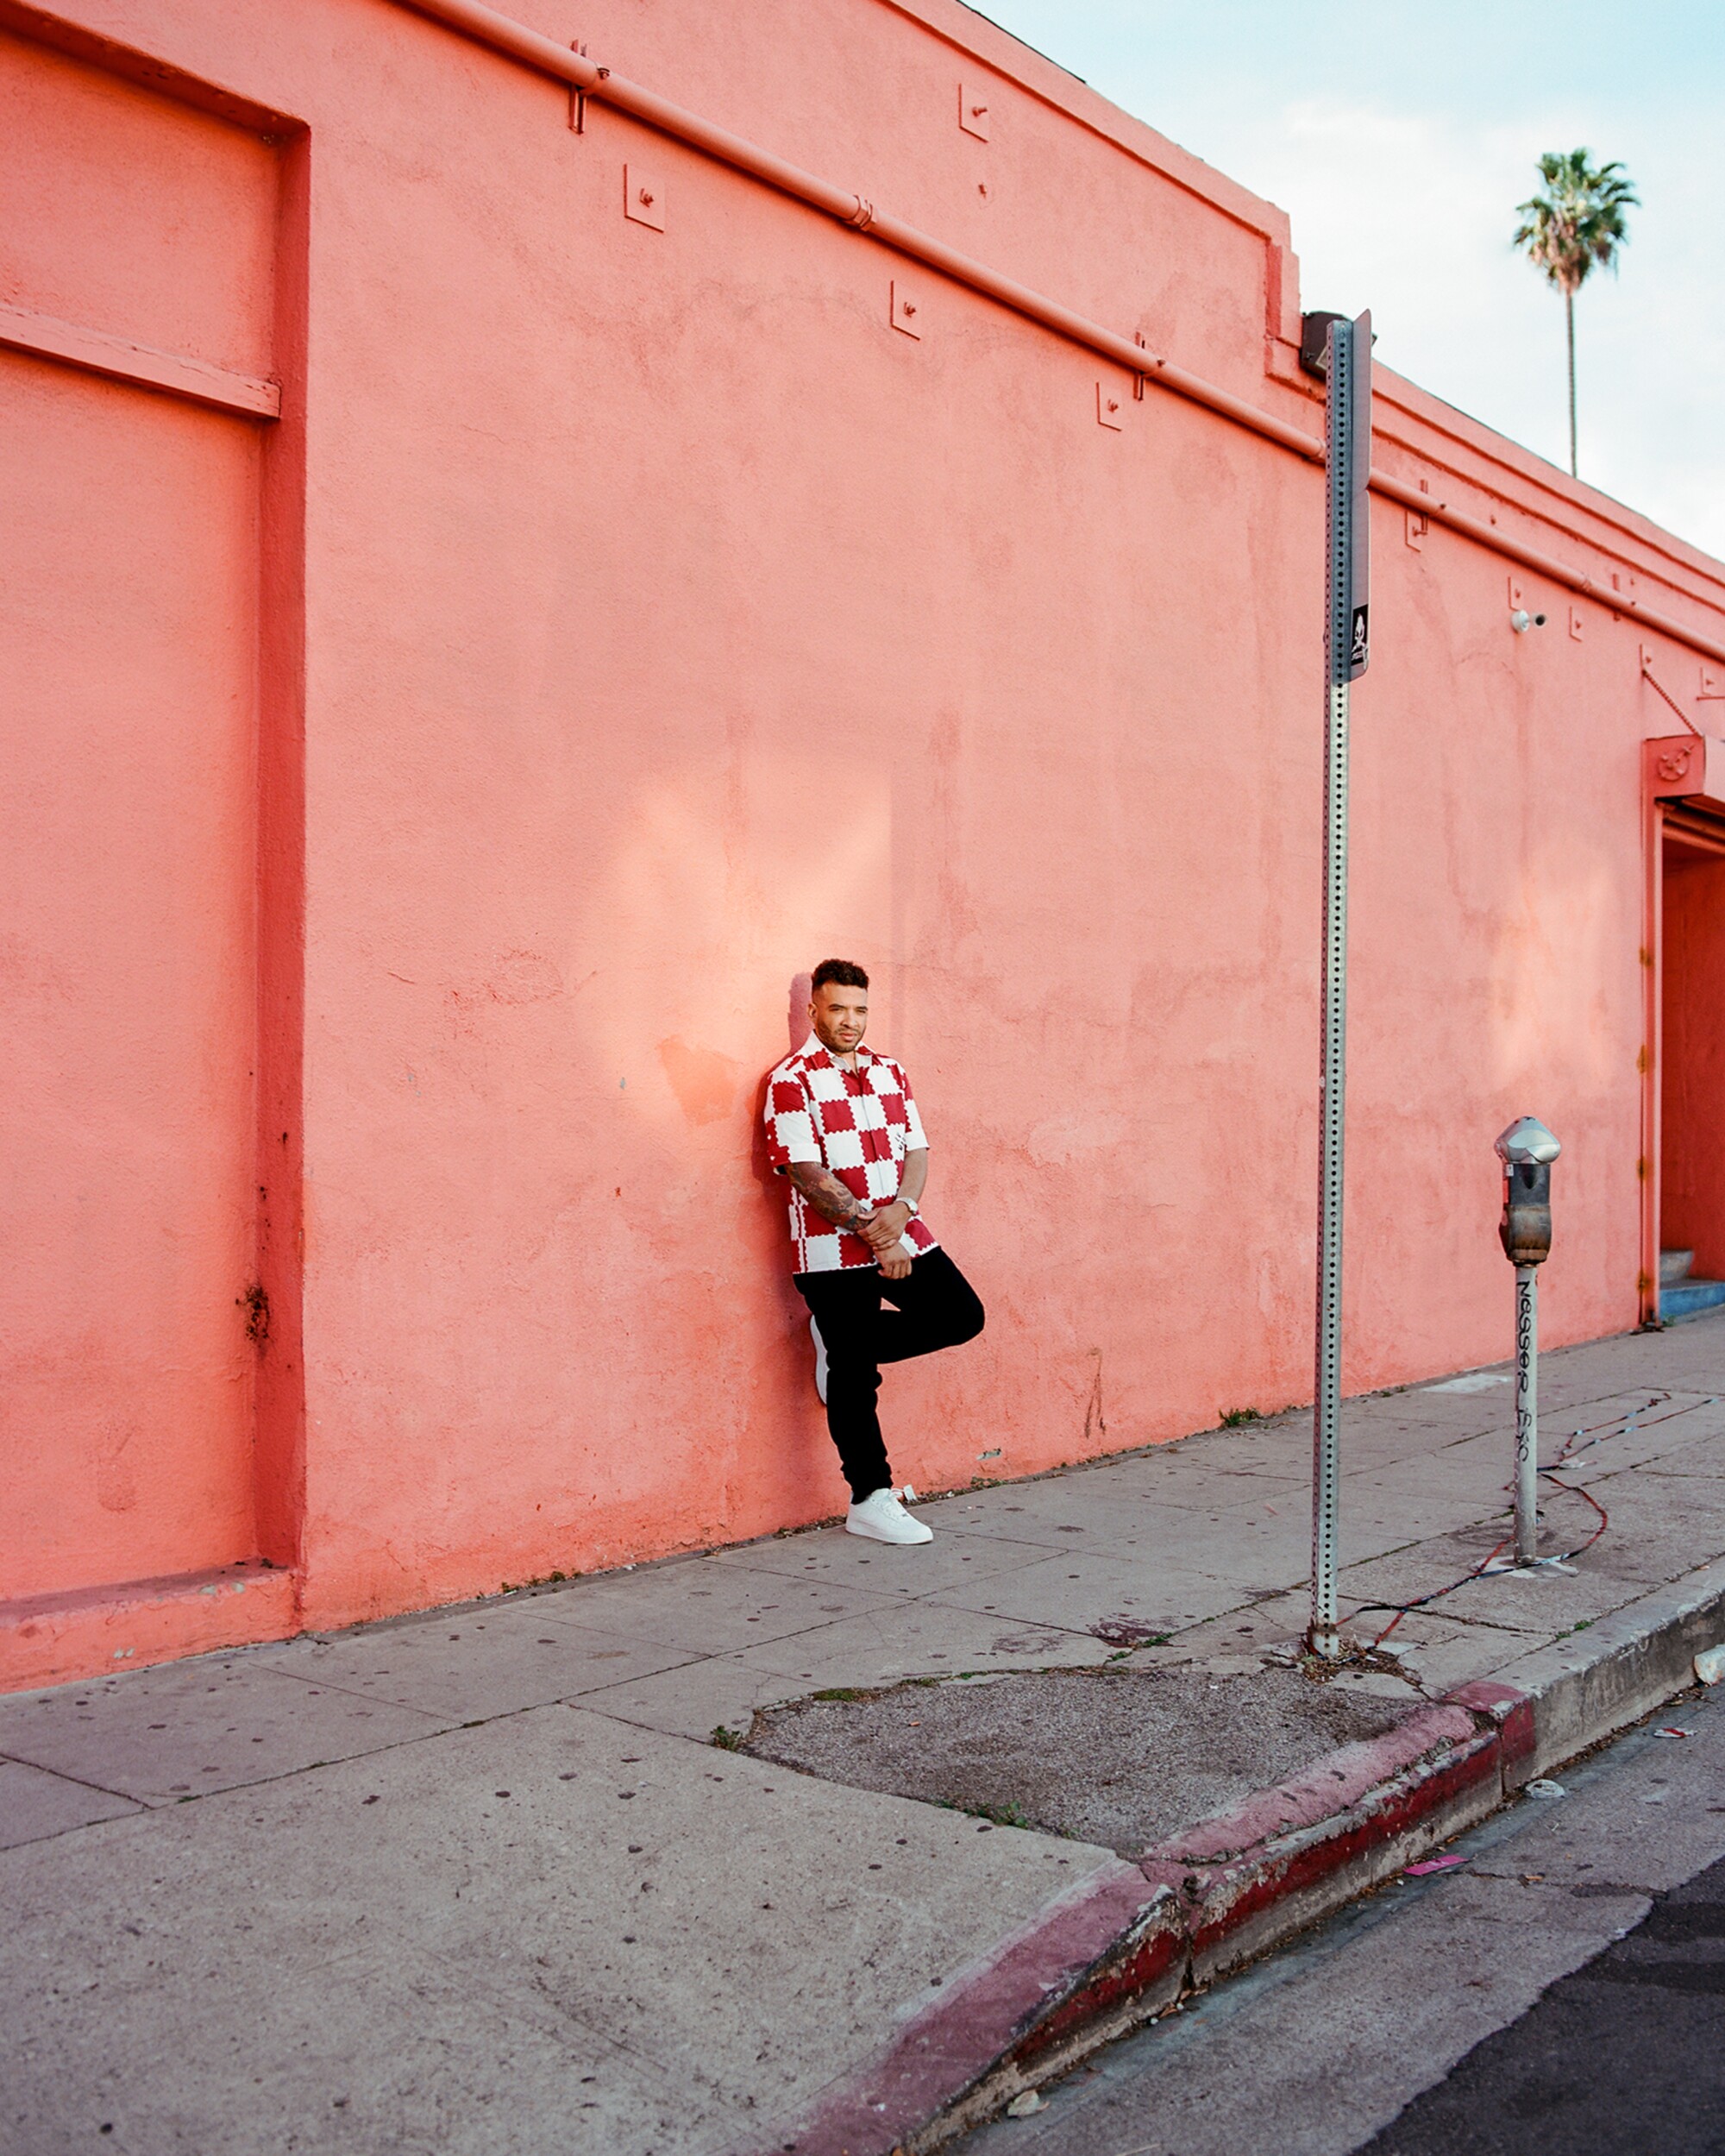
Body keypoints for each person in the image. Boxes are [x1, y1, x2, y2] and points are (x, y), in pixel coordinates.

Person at [763, 959, 985, 1545]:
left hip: (898, 1226)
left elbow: (917, 1150)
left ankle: (835, 1338)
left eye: (859, 1009)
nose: (850, 1020)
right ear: (813, 1010)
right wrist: (877, 1235)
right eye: (837, 1008)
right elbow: (805, 1172)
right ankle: (870, 1498)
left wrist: (904, 1213)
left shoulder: (890, 1071)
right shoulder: (791, 1080)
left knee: (962, 1316)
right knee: (854, 1374)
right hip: (830, 1249)